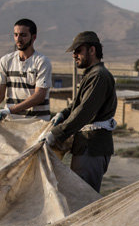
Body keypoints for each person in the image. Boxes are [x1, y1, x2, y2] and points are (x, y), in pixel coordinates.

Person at [45, 31, 117, 192]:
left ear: (92, 50)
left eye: (78, 51)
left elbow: (84, 112)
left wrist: (56, 134)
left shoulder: (98, 76)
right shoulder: (91, 75)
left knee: (83, 200)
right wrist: (62, 114)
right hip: (86, 145)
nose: (74, 55)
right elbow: (77, 106)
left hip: (92, 146)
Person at [0, 18, 52, 126]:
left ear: (34, 37)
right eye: (16, 35)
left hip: (36, 123)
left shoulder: (42, 62)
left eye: (23, 35)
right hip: (12, 123)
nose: (18, 39)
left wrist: (9, 110)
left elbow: (39, 96)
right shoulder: (6, 61)